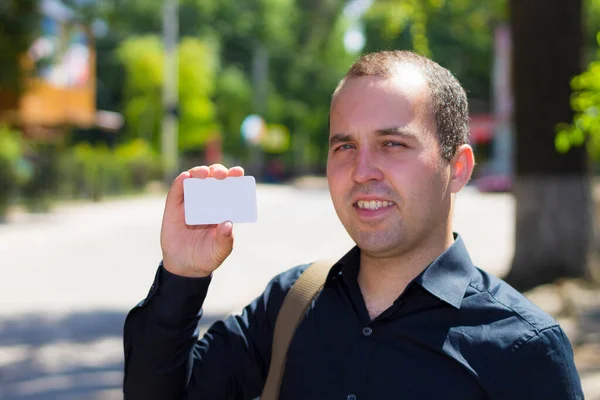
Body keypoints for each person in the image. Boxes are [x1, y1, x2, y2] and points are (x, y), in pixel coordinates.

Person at [123, 50, 583, 399]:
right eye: (344, 147)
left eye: (392, 144)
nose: (363, 170)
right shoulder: (288, 306)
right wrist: (182, 277)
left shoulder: (525, 348)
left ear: (457, 167)